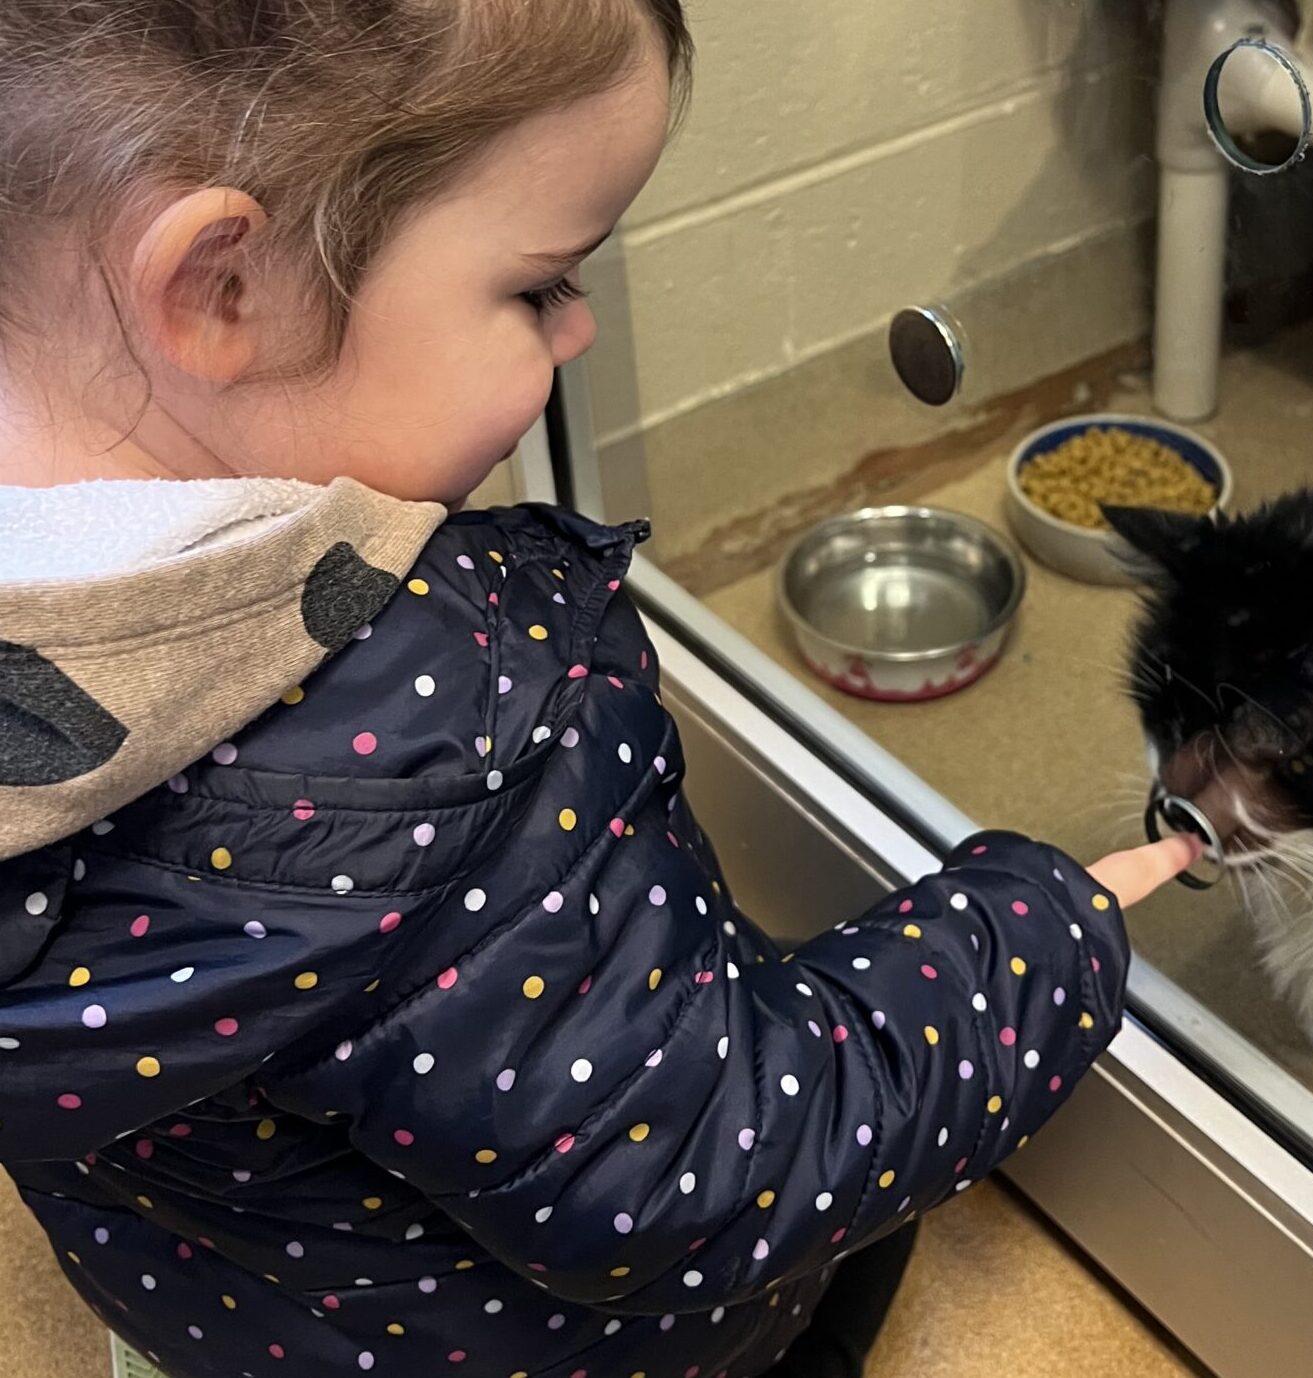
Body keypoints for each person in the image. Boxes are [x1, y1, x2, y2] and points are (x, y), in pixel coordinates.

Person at [0, 3, 1199, 1377]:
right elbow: (719, 1165)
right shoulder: (438, 746)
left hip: (222, 1296)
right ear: (225, 286)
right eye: (538, 288)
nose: (576, 334)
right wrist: (1031, 941)